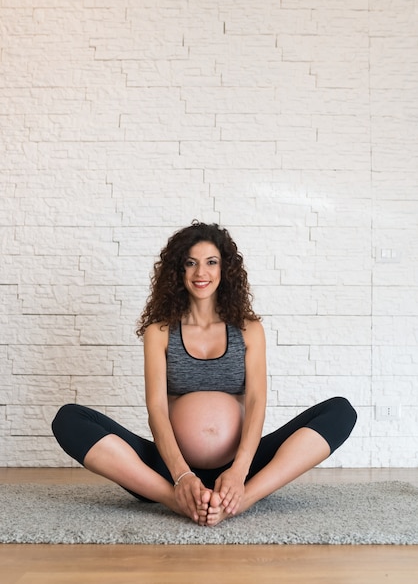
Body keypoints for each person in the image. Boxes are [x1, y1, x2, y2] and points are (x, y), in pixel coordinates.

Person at [52, 221, 357, 526]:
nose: (201, 273)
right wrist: (181, 476)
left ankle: (243, 498)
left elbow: (256, 403)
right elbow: (156, 409)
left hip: (244, 467)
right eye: (191, 263)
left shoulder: (249, 330)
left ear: (225, 270)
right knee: (69, 419)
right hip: (168, 470)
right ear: (177, 271)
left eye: (211, 262)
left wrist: (238, 472)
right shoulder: (159, 332)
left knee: (341, 411)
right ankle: (177, 500)